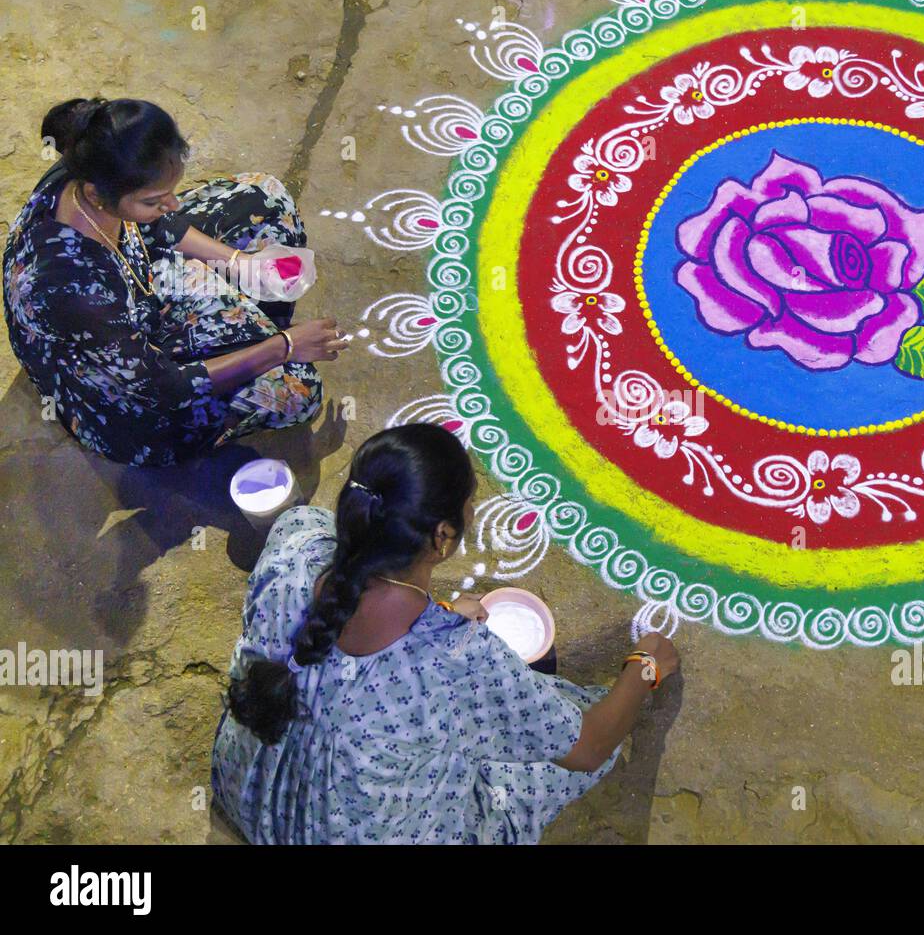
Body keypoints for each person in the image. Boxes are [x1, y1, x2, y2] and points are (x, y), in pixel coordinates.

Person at [212, 423, 680, 844]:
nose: (474, 508)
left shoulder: (295, 545)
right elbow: (588, 748)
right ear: (441, 536)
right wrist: (645, 666)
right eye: (470, 500)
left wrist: (440, 610)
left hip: (252, 797)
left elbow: (351, 627)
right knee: (568, 728)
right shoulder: (457, 659)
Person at [2, 97, 349, 466]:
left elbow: (155, 224)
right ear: (94, 195)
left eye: (171, 190)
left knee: (269, 199)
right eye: (154, 199)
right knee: (298, 387)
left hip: (138, 284)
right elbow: (162, 387)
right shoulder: (72, 288)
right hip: (126, 391)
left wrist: (239, 262)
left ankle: (246, 330)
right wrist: (284, 347)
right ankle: (253, 337)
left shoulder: (94, 162)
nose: (174, 204)